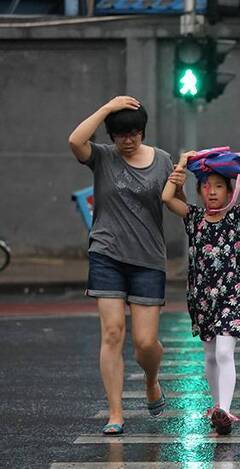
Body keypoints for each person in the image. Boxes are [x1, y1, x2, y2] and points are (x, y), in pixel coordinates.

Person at [68, 96, 176, 435]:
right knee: (113, 332)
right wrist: (106, 108)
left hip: (148, 259)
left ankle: (151, 380)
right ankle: (115, 413)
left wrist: (181, 185)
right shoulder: (101, 157)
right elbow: (75, 140)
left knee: (146, 343)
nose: (128, 141)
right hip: (107, 253)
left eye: (134, 133)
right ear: (112, 136)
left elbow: (174, 204)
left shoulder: (162, 161)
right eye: (120, 135)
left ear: (143, 132)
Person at [162, 150, 240, 435]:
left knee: (223, 351)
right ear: (199, 191)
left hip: (233, 295)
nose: (212, 192)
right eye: (206, 187)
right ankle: (217, 407)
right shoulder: (193, 217)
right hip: (203, 298)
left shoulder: (235, 216)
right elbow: (167, 198)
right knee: (209, 355)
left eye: (219, 186)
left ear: (230, 191)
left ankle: (226, 410)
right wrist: (182, 164)